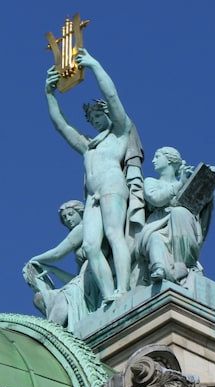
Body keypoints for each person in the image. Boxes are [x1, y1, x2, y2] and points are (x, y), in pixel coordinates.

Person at [45, 49, 132, 302]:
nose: (94, 121)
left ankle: (123, 289)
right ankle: (108, 296)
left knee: (115, 235)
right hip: (93, 196)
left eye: (98, 115)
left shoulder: (119, 134)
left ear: (107, 115)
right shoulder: (88, 145)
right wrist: (49, 94)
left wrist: (94, 65)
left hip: (112, 187)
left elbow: (112, 95)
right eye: (91, 118)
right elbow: (61, 125)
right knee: (91, 247)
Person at [24, 200, 99, 330]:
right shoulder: (78, 234)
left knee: (63, 298)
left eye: (71, 214)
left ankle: (51, 336)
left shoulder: (83, 228)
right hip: (86, 280)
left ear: (81, 212)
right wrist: (54, 270)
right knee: (40, 299)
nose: (68, 219)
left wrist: (33, 260)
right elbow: (76, 279)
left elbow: (57, 254)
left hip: (95, 277)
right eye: (64, 217)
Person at [135, 147, 207, 283]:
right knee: (155, 238)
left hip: (182, 224)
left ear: (170, 160)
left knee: (178, 212)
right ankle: (160, 268)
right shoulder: (151, 182)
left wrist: (204, 181)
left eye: (157, 157)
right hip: (157, 224)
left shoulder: (184, 183)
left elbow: (201, 206)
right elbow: (155, 198)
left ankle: (182, 262)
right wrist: (180, 184)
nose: (153, 161)